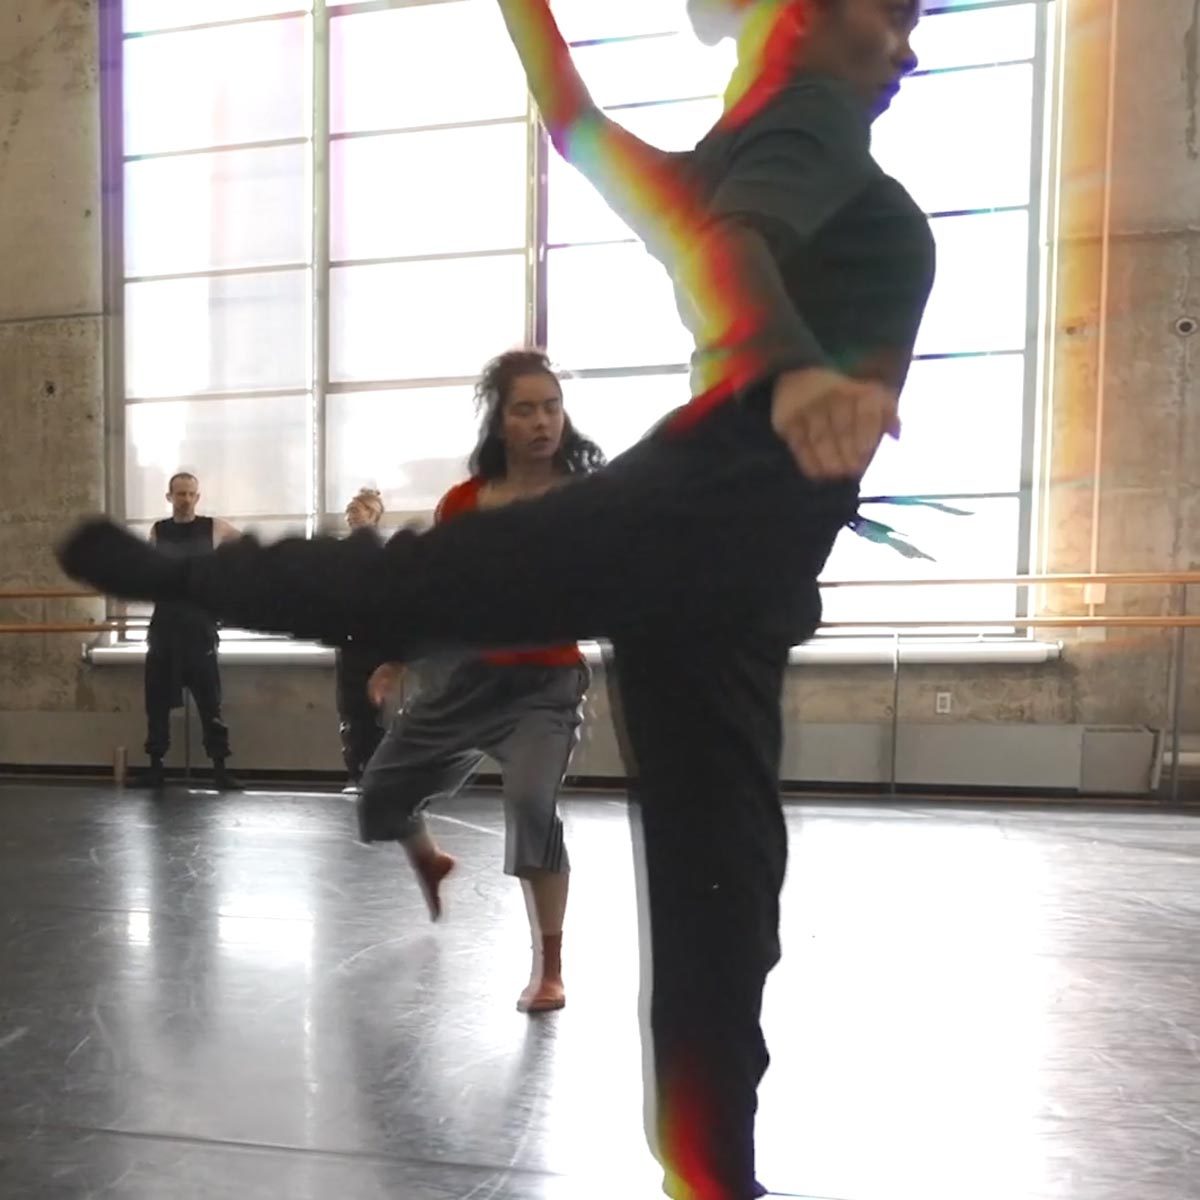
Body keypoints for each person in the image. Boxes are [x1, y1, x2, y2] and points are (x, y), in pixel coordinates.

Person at [58, 2, 933, 1196]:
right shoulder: (806, 122)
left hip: (735, 590)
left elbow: (574, 124)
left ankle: (712, 1173)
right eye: (889, 14)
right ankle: (177, 569)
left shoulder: (718, 160)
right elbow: (736, 241)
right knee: (711, 899)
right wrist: (786, 366)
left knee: (723, 902)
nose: (906, 46)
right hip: (701, 524)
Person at [360, 350, 602, 1013]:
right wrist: (399, 658)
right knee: (379, 794)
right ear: (500, 422)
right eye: (524, 409)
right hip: (469, 682)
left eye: (551, 407)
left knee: (530, 805)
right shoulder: (463, 504)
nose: (541, 421)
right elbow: (439, 597)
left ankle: (548, 966)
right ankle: (429, 857)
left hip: (545, 688)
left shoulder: (586, 500)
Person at [143, 472, 241, 791]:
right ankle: (156, 767)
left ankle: (219, 768)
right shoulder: (158, 531)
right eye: (180, 493)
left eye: (190, 494)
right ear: (169, 497)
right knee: (156, 700)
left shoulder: (215, 527)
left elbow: (250, 555)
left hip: (199, 627)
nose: (185, 499)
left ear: (198, 497)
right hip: (165, 627)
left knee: (210, 701)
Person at [336, 487, 388, 791]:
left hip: (374, 643)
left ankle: (374, 773)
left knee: (371, 712)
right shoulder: (343, 554)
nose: (350, 517)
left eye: (355, 511)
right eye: (348, 512)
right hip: (349, 641)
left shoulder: (382, 554)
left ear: (372, 515)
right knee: (350, 710)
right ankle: (356, 773)